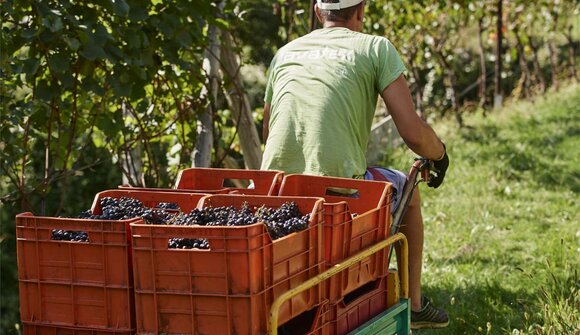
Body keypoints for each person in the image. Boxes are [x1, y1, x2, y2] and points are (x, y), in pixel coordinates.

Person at [260, 0, 450, 330]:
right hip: (339, 194)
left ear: (318, 12)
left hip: (275, 193)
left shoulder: (284, 54)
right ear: (360, 11)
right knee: (408, 186)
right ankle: (415, 303)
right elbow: (414, 135)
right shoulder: (375, 48)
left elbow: (268, 133)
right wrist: (440, 155)